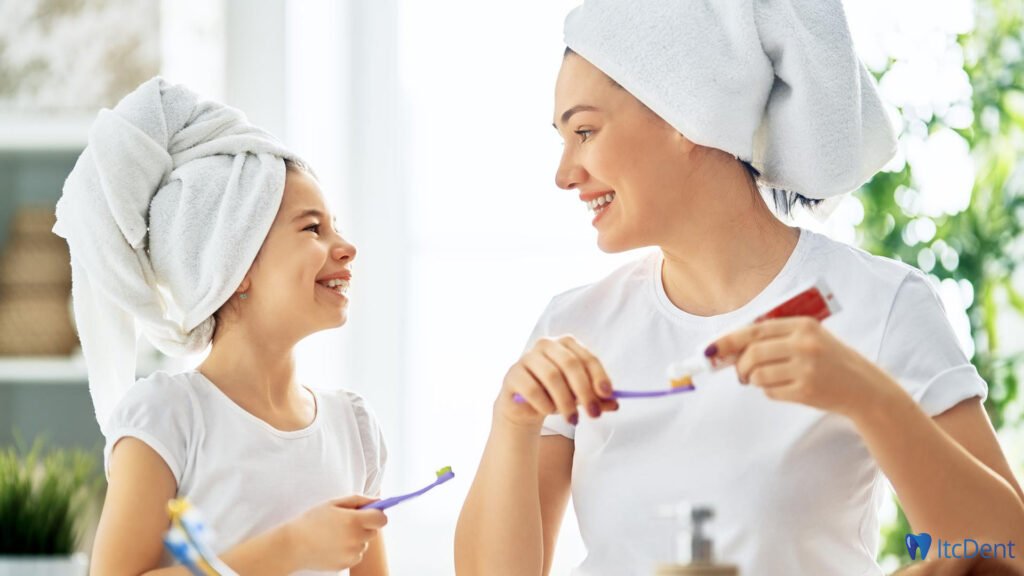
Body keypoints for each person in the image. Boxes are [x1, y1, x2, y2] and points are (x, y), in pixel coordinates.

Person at [455, 1, 1024, 574]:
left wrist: (870, 400)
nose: (564, 173)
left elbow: (1007, 556)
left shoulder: (879, 303)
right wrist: (513, 420)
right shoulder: (574, 328)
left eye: (584, 131)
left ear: (686, 115)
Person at [54, 78, 389, 575]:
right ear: (234, 268)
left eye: (335, 226)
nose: (346, 247)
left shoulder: (352, 429)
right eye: (313, 228)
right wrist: (291, 547)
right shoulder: (169, 418)